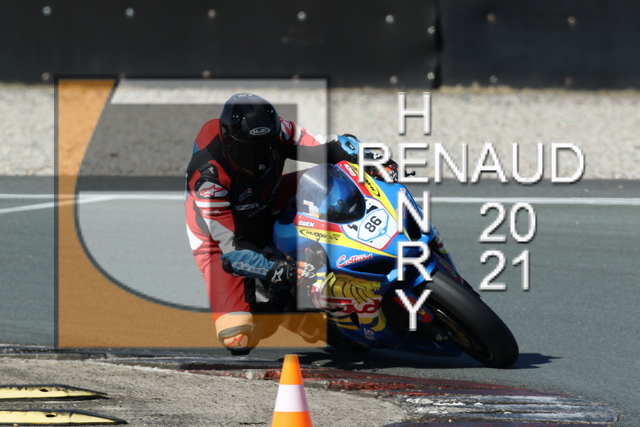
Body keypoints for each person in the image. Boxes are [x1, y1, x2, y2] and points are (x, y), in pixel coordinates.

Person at [185, 93, 364, 355]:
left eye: (266, 147)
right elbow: (232, 251)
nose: (259, 159)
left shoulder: (281, 130)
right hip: (221, 242)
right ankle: (285, 312)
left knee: (341, 178)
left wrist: (371, 159)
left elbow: (330, 145)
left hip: (268, 197)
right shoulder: (207, 180)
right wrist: (283, 270)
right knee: (237, 339)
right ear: (229, 143)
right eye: (248, 151)